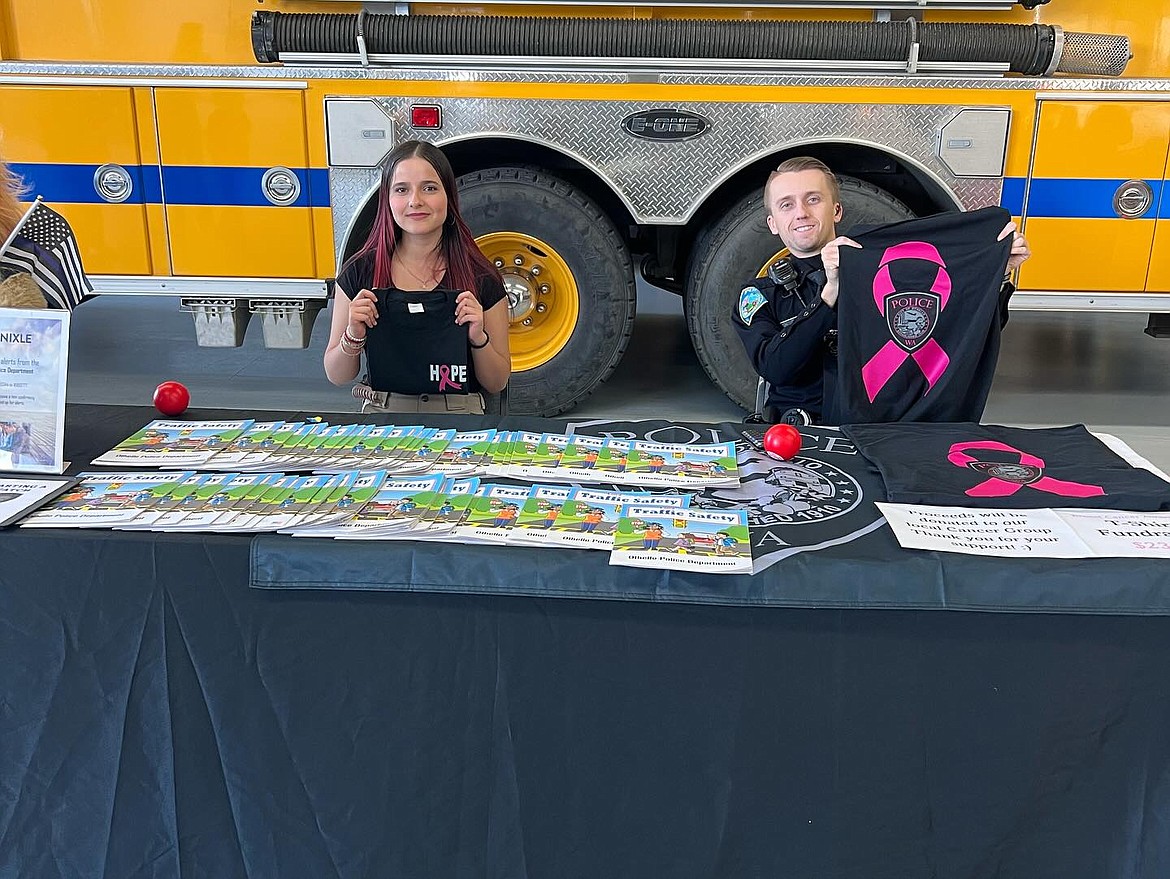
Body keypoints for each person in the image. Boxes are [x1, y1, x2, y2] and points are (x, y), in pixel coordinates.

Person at [733, 156, 1031, 425]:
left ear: (836, 210)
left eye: (813, 199)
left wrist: (996, 275)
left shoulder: (891, 274)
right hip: (803, 435)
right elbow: (776, 368)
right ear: (773, 223)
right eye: (787, 204)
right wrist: (830, 293)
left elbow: (958, 332)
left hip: (880, 431)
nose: (801, 213)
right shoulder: (760, 295)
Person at [323, 140, 510, 414]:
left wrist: (477, 337)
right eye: (402, 190)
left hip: (461, 418)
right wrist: (353, 334)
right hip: (382, 416)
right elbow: (337, 375)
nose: (415, 201)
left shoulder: (481, 276)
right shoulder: (360, 272)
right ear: (387, 199)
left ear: (449, 195)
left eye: (430, 188)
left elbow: (496, 382)